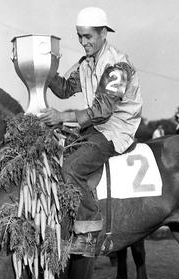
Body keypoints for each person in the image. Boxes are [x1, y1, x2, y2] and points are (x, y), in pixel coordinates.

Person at [39, 6, 143, 258]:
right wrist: (48, 69)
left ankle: (87, 232)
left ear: (103, 33)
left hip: (114, 129)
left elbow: (103, 110)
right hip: (94, 127)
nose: (83, 42)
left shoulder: (119, 66)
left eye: (88, 37)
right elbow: (64, 89)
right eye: (79, 36)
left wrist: (63, 116)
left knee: (71, 168)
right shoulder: (86, 64)